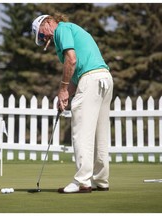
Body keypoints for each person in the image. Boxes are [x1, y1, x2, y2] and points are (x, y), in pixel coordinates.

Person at [32, 13, 114, 193]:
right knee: (100, 133)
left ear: (48, 22)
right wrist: (65, 95)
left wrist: (62, 88)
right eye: (40, 38)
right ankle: (101, 180)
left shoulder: (61, 29)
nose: (44, 38)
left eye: (41, 34)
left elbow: (72, 59)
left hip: (91, 79)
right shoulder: (71, 30)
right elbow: (76, 74)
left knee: (81, 131)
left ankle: (82, 181)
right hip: (104, 78)